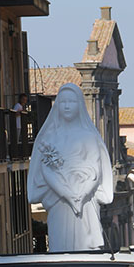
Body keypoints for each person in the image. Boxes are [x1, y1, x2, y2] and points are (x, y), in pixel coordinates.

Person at [27, 83, 113, 252]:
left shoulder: (89, 137)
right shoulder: (49, 138)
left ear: (79, 105)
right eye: (63, 102)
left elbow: (95, 171)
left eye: (71, 102)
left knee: (86, 249)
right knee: (61, 247)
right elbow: (45, 171)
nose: (66, 106)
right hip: (59, 203)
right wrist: (68, 194)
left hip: (85, 203)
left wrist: (80, 196)